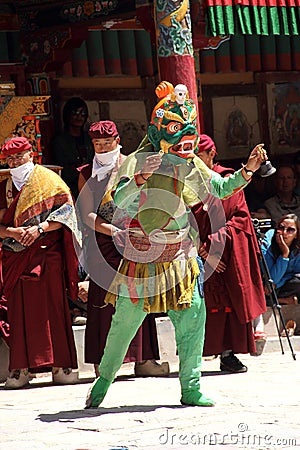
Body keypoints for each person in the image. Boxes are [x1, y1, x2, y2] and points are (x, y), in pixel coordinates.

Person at [84, 81, 268, 409]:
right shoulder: (137, 161)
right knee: (124, 323)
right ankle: (103, 381)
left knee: (193, 318)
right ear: (158, 134)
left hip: (180, 255)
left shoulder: (190, 162)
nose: (185, 144)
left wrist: (248, 169)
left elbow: (221, 187)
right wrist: (140, 179)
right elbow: (115, 205)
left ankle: (191, 387)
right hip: (142, 255)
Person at [77, 120, 169, 378]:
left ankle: (144, 358)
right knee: (103, 301)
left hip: (134, 239)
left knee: (138, 295)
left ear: (118, 142)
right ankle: (103, 363)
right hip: (103, 243)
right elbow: (87, 215)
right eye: (98, 144)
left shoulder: (133, 166)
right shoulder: (86, 172)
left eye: (108, 143)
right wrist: (112, 231)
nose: (103, 148)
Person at [0, 136, 81, 388]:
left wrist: (40, 229)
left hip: (46, 254)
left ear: (31, 155)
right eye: (9, 159)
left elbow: (67, 214)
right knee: (18, 313)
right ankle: (20, 370)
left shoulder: (49, 181)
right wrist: (12, 233)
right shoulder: (4, 188)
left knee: (53, 312)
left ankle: (62, 366)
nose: (14, 162)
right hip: (16, 256)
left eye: (19, 157)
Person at [191, 135, 267, 372]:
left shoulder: (226, 178)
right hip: (197, 252)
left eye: (198, 156)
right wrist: (202, 249)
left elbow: (239, 218)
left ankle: (228, 354)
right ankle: (192, 356)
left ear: (211, 154)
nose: (193, 162)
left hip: (226, 253)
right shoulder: (188, 181)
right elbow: (181, 218)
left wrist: (215, 246)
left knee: (227, 304)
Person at [52, 97, 94, 199]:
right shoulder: (60, 141)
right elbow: (61, 167)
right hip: (70, 188)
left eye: (83, 114)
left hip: (92, 186)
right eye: (75, 113)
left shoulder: (89, 138)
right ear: (67, 115)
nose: (79, 117)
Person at [261, 213, 300, 306]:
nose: (284, 232)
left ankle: (279, 300)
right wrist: (284, 254)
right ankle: (282, 300)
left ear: (296, 235)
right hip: (266, 285)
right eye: (281, 228)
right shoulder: (267, 244)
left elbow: (293, 273)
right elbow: (271, 279)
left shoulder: (297, 249)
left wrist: (278, 284)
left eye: (290, 230)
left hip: (280, 284)